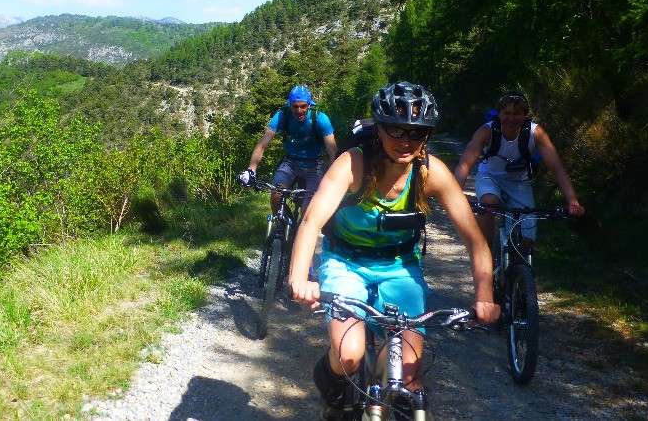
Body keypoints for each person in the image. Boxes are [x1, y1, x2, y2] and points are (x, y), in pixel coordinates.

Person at [288, 81, 499, 420]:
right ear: (380, 129)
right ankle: (332, 391)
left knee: (408, 375)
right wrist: (300, 278)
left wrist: (485, 295)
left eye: (416, 134)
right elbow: (311, 221)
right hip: (346, 262)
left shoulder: (431, 173)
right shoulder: (353, 164)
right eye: (396, 131)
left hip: (400, 267)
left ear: (426, 136)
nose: (405, 142)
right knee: (351, 355)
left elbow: (475, 239)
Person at [453, 92, 585, 254]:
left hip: (520, 183)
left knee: (526, 242)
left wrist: (573, 201)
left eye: (517, 113)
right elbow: (464, 164)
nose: (511, 118)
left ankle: (518, 273)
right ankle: (485, 254)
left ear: (525, 115)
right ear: (499, 113)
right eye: (506, 113)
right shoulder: (487, 131)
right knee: (489, 202)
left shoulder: (535, 134)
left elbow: (557, 169)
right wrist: (455, 195)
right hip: (490, 177)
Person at [238, 84, 338, 212]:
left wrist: (333, 177)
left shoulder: (320, 119)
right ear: (289, 105)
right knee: (276, 194)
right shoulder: (282, 116)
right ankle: (280, 226)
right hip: (290, 163)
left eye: (303, 106)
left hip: (314, 165)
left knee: (309, 210)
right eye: (295, 106)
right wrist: (251, 170)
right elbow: (262, 144)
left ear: (309, 105)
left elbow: (332, 150)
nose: (299, 111)